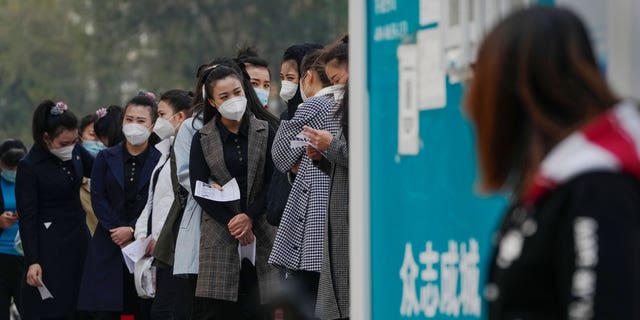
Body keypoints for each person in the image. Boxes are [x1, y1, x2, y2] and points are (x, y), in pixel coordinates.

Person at [465, 6, 640, 319]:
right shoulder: (552, 183)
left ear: (513, 94)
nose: (470, 107)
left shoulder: (598, 190)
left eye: (481, 89)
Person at [189, 62, 279, 319]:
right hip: (220, 231)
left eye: (237, 92)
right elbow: (198, 187)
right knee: (220, 309)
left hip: (261, 227)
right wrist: (232, 221)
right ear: (214, 103)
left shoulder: (265, 130)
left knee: (263, 304)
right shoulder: (203, 138)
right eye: (224, 96)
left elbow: (273, 179)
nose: (233, 100)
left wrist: (249, 216)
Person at [269, 48, 343, 319]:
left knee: (306, 299)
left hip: (312, 221)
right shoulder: (345, 103)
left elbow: (280, 155)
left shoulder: (314, 106)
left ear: (308, 76)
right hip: (337, 216)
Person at [78, 92, 161, 320]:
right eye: (129, 119)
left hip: (143, 246)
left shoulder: (160, 160)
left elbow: (157, 202)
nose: (134, 125)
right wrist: (117, 229)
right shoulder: (106, 157)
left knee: (141, 307)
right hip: (108, 241)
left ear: (152, 126)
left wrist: (133, 229)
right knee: (106, 310)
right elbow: (98, 196)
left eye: (141, 121)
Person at [16, 101, 94, 319]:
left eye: (74, 141)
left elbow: (98, 169)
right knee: (55, 306)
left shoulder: (76, 151)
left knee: (84, 304)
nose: (69, 147)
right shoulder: (29, 166)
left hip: (79, 238)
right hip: (50, 245)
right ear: (46, 138)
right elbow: (28, 218)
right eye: (63, 143)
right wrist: (33, 260)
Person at [134, 89, 191, 319]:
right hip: (158, 247)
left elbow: (177, 203)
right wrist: (141, 234)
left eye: (161, 114)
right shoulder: (165, 152)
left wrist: (160, 237)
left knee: (166, 310)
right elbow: (153, 200)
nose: (158, 121)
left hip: (173, 247)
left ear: (180, 117)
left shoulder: (185, 153)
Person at [306, 37, 350, 320]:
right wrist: (322, 158)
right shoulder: (348, 104)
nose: (337, 87)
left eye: (338, 78)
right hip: (340, 213)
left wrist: (330, 145)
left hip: (350, 217)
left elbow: (364, 158)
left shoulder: (365, 104)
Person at [266, 43, 323, 228]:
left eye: (291, 78)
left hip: (308, 212)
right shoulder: (286, 115)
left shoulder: (317, 113)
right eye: (283, 78)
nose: (286, 85)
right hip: (282, 212)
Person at [0, 139, 27, 319]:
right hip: (1, 255)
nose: (13, 171)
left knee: (27, 310)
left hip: (25, 257)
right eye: (9, 166)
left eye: (17, 166)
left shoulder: (30, 180)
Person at [79, 113, 104, 235]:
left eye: (102, 136)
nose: (98, 142)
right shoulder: (75, 176)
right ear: (80, 136)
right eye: (93, 135)